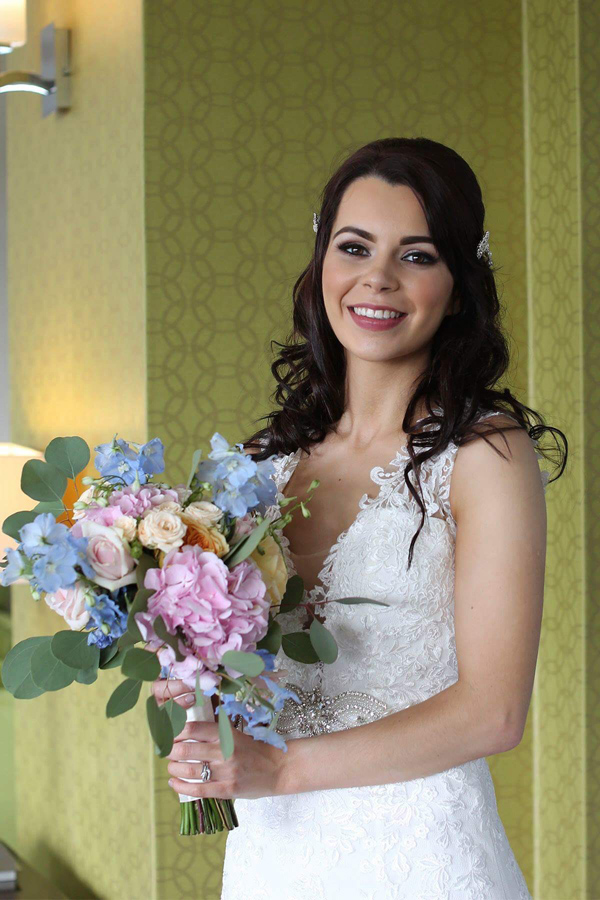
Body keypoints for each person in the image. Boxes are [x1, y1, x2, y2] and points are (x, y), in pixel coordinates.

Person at [153, 137, 568, 899]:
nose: (378, 277)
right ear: (323, 264)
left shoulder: (485, 455)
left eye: (417, 255)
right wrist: (193, 681)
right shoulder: (258, 465)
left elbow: (495, 713)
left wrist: (284, 769)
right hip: (273, 858)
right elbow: (247, 667)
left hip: (423, 861)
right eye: (355, 247)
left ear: (458, 285)